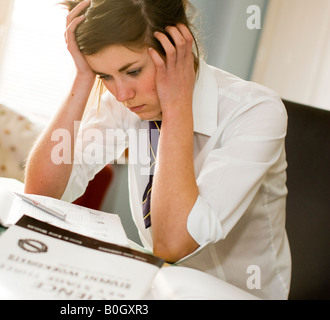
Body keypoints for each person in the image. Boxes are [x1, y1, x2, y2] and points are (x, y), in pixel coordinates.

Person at [25, 0, 291, 299]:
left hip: (238, 293)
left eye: (134, 71)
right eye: (106, 76)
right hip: (159, 285)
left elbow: (172, 244)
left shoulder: (255, 110)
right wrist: (83, 77)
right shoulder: (129, 100)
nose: (123, 94)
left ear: (177, 46)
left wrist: (178, 106)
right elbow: (41, 194)